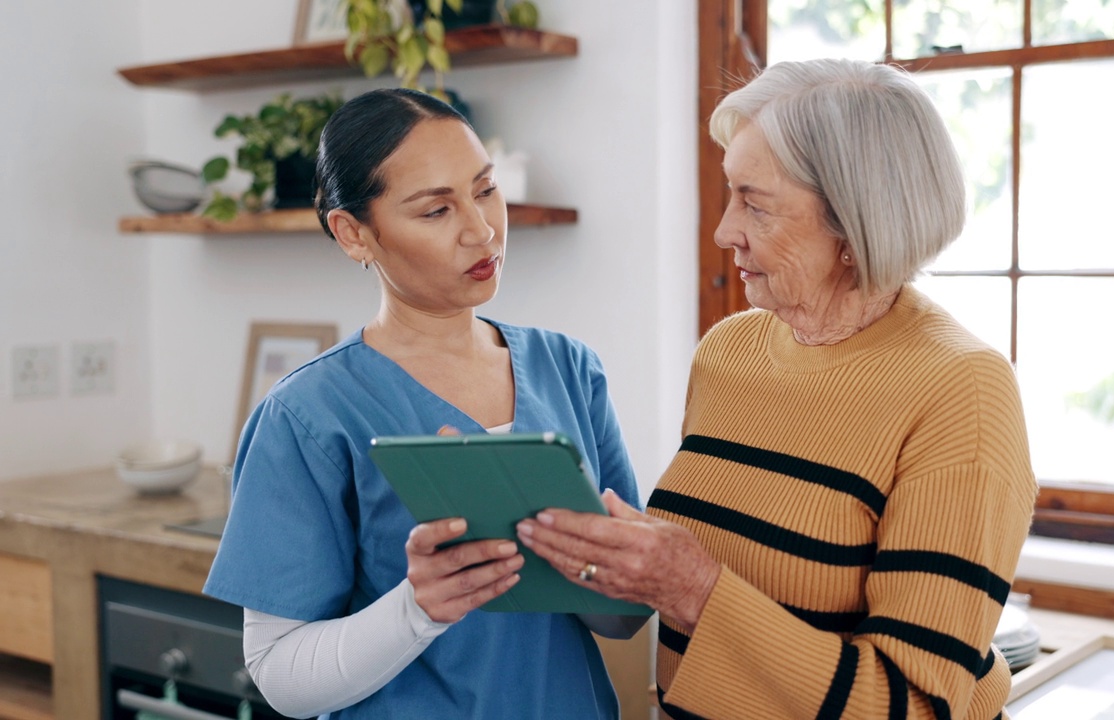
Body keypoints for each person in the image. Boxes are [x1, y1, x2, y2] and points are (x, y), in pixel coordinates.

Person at [516, 58, 1039, 720]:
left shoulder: (961, 391)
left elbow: (910, 706)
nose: (723, 231)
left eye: (754, 204)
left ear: (853, 227)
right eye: (730, 194)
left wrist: (697, 590)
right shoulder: (729, 350)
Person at [203, 88, 644, 720]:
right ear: (354, 234)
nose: (481, 228)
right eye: (436, 211)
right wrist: (418, 607)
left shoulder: (569, 370)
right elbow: (281, 674)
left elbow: (623, 621)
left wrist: (587, 559)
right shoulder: (310, 415)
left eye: (485, 190)